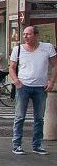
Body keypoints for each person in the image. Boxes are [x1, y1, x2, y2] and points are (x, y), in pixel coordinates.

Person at [9, 25, 56, 155]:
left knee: (39, 118)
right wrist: (16, 81)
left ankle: (37, 145)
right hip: (23, 86)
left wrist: (51, 81)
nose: (25, 36)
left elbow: (55, 64)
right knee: (19, 117)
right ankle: (16, 144)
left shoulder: (47, 48)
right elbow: (11, 67)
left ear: (36, 35)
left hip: (40, 87)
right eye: (24, 34)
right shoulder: (18, 49)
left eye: (28, 34)